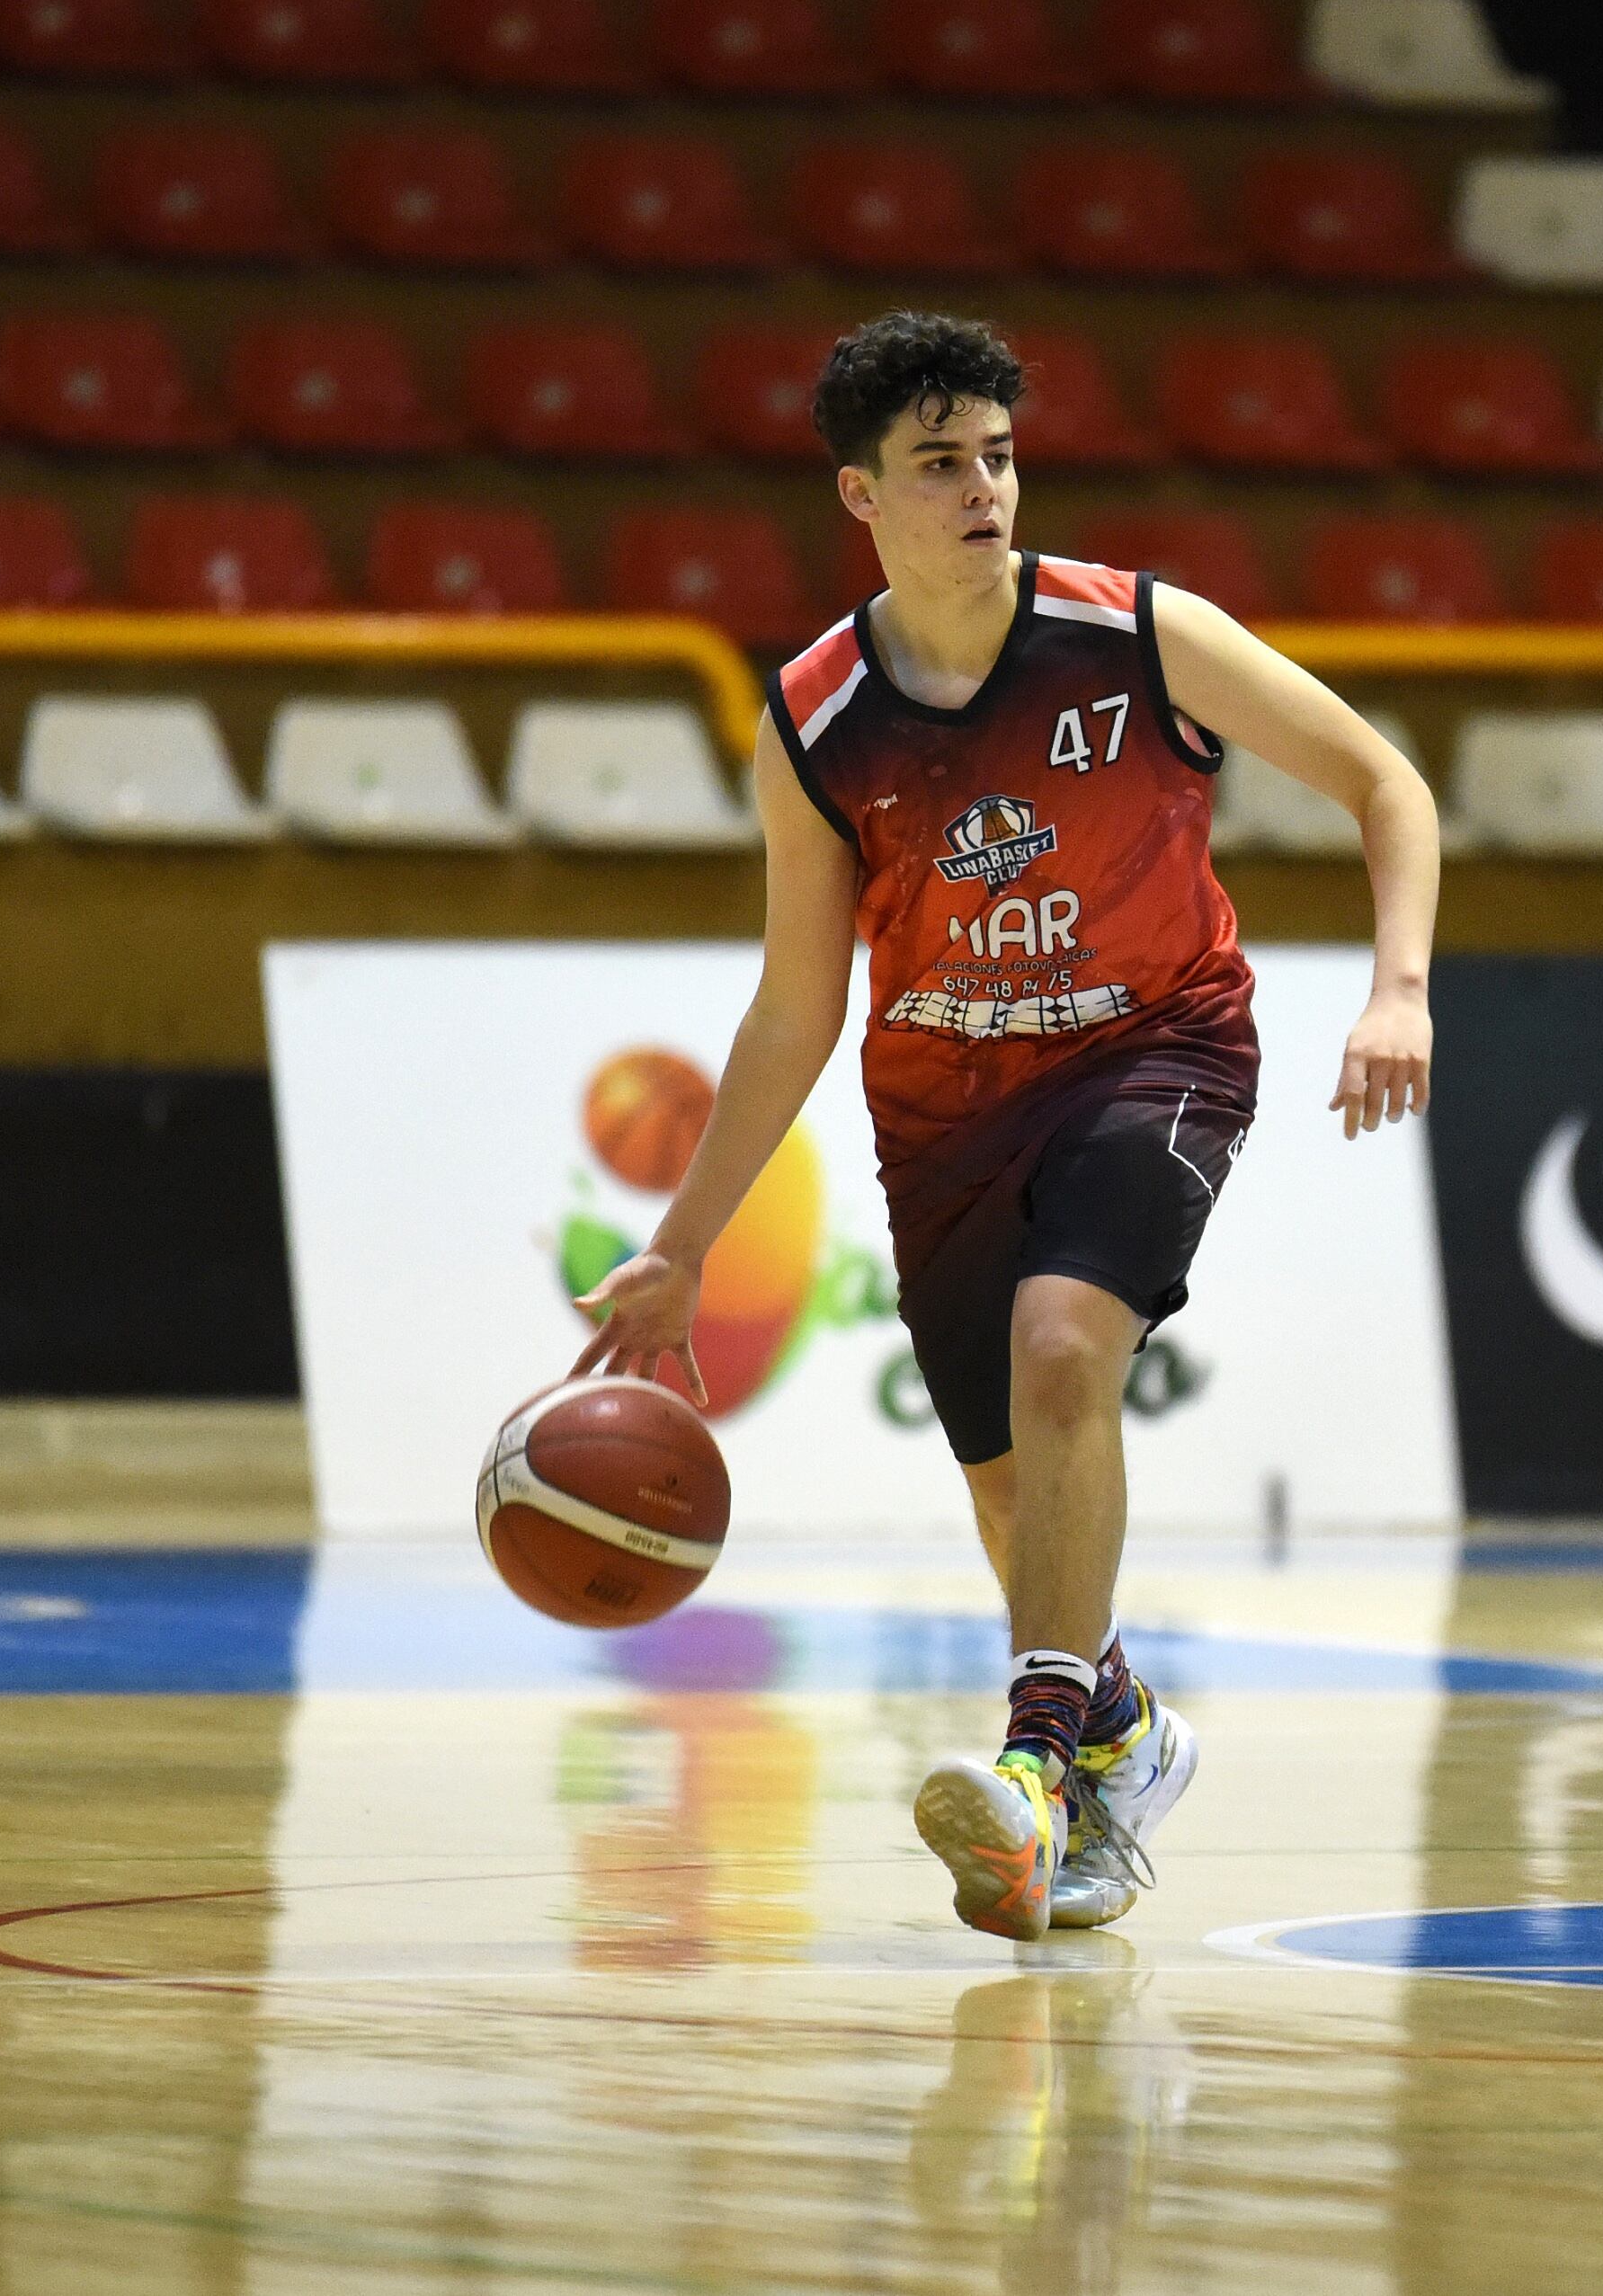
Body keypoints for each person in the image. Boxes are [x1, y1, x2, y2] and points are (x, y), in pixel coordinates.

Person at [571, 312, 1442, 1941]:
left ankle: (1038, 1766)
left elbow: (1386, 785)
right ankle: (1122, 1740)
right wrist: (682, 1251)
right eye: (939, 464)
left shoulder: (1141, 635)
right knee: (1009, 1495)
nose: (982, 488)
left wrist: (1399, 989)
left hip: (1158, 1049)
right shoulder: (817, 719)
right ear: (861, 494)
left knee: (1063, 1349)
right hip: (945, 1114)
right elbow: (795, 1007)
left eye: (998, 456)